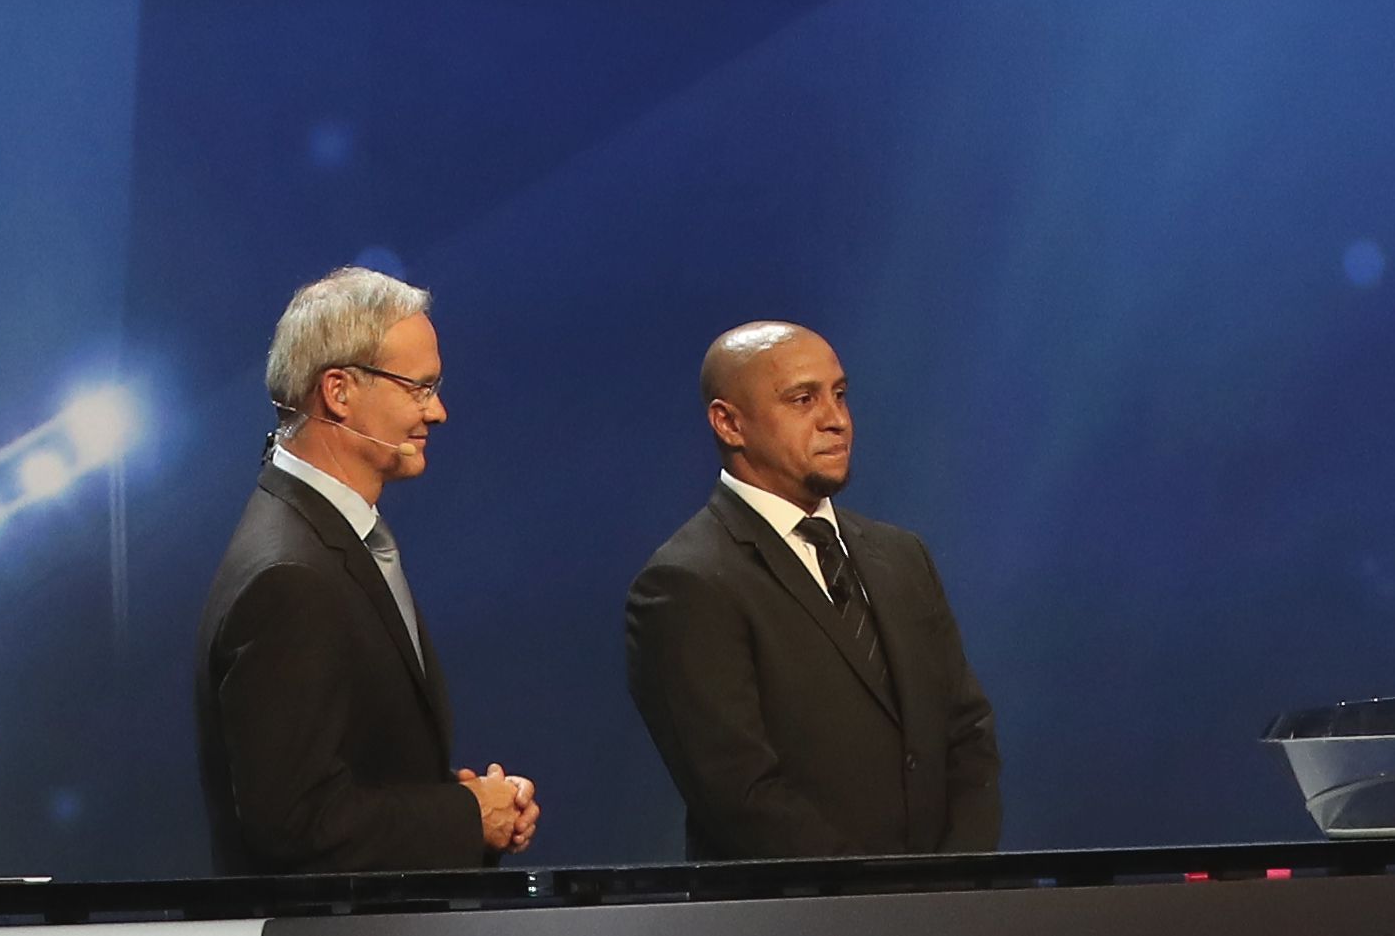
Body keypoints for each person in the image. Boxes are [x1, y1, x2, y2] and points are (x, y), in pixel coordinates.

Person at [192, 265, 545, 872]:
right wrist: (463, 816)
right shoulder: (289, 576)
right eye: (420, 388)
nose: (438, 413)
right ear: (339, 391)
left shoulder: (325, 540)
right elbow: (294, 822)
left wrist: (466, 810)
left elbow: (356, 777)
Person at [624, 320, 1002, 860]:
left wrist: (956, 883)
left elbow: (967, 734)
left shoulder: (902, 556)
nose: (836, 420)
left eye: (840, 395)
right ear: (729, 423)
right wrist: (883, 901)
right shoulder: (685, 584)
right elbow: (740, 793)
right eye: (803, 399)